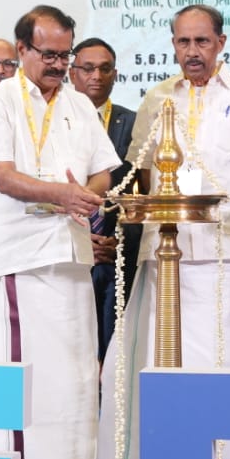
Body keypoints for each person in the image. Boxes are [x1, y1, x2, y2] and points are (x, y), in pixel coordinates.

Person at [100, 4, 230, 459]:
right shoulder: (157, 98)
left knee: (229, 354)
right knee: (163, 354)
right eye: (183, 42)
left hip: (229, 249)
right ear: (173, 45)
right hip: (167, 248)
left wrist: (229, 216)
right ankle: (163, 456)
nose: (193, 51)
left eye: (202, 41)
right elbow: (143, 173)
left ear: (221, 43)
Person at [0, 6, 121, 459]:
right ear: (22, 50)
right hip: (18, 255)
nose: (58, 64)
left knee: (74, 371)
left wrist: (87, 195)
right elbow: (3, 177)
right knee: (19, 374)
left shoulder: (80, 105)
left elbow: (103, 171)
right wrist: (62, 194)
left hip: (70, 252)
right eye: (48, 53)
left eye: (64, 54)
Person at [69, 36, 141, 357]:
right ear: (72, 73)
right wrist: (81, 239)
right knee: (72, 345)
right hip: (69, 247)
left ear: (115, 74)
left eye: (105, 68)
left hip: (116, 253)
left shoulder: (134, 123)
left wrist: (118, 240)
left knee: (115, 350)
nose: (96, 76)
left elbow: (141, 192)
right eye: (87, 68)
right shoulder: (55, 122)